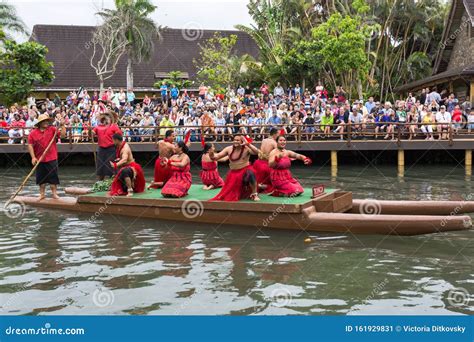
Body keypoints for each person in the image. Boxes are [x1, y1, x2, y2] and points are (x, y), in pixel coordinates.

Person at [209, 135, 261, 201]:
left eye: (237, 140)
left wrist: (248, 144)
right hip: (234, 173)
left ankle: (254, 194)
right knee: (230, 195)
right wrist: (211, 155)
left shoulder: (246, 149)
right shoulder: (228, 149)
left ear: (242, 141)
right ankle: (254, 187)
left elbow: (258, 153)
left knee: (250, 173)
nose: (235, 141)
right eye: (234, 140)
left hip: (245, 171)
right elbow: (217, 157)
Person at [27, 114, 61, 200]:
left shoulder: (52, 129)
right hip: (39, 158)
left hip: (52, 157)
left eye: (47, 121)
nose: (46, 122)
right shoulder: (33, 133)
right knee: (41, 177)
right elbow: (30, 145)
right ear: (40, 123)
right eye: (44, 121)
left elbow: (62, 135)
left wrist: (63, 125)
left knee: (53, 176)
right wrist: (33, 157)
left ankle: (54, 193)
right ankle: (42, 194)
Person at [92, 111, 122, 180]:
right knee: (100, 167)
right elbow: (93, 133)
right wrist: (91, 132)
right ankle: (100, 182)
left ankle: (112, 182)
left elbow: (119, 135)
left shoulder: (114, 126)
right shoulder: (98, 127)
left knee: (111, 166)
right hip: (101, 149)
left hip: (111, 149)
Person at [253, 127, 279, 192]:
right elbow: (279, 152)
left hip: (258, 163)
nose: (278, 136)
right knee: (276, 184)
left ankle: (258, 185)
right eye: (278, 134)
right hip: (266, 165)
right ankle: (263, 186)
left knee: (259, 179)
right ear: (275, 134)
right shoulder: (274, 142)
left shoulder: (264, 140)